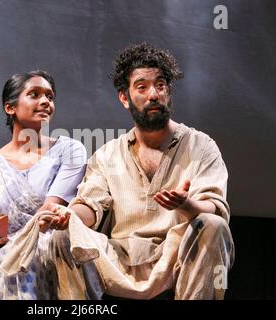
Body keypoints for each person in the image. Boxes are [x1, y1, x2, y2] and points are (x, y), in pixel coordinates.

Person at [47, 43, 235, 300]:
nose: (153, 94)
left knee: (213, 225)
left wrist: (186, 204)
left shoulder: (201, 145)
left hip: (176, 257)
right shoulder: (106, 155)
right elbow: (91, 206)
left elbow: (214, 208)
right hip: (118, 261)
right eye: (142, 87)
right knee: (63, 234)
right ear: (125, 98)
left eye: (160, 85)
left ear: (168, 92)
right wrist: (67, 215)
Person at [0, 70, 87, 300]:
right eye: (35, 94)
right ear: (10, 108)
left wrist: (16, 243)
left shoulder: (69, 151)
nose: (45, 102)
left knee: (26, 259)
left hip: (43, 250)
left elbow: (50, 211)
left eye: (50, 96)